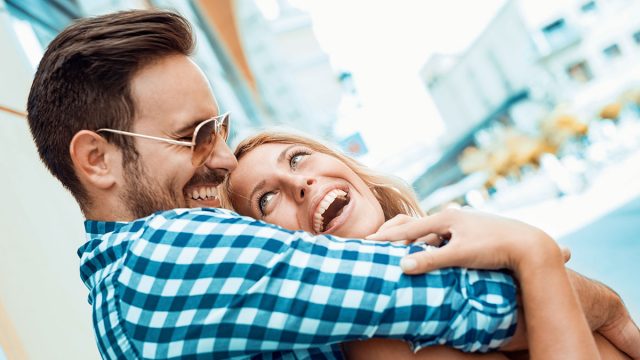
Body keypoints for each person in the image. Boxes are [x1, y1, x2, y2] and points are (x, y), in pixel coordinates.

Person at [25, 9, 638, 359]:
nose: (218, 159)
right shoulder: (162, 258)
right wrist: (540, 259)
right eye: (192, 135)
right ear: (98, 161)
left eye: (219, 128)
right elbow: (456, 297)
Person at [222, 131, 637, 359]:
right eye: (265, 199)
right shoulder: (372, 332)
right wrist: (533, 253)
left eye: (297, 158)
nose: (300, 182)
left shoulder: (447, 251)